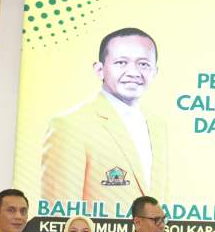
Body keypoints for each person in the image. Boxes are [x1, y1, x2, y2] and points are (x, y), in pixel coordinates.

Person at [41, 27, 167, 208]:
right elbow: (60, 211)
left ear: (154, 72)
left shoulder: (157, 126)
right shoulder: (69, 125)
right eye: (121, 62)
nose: (133, 72)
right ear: (100, 69)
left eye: (143, 64)